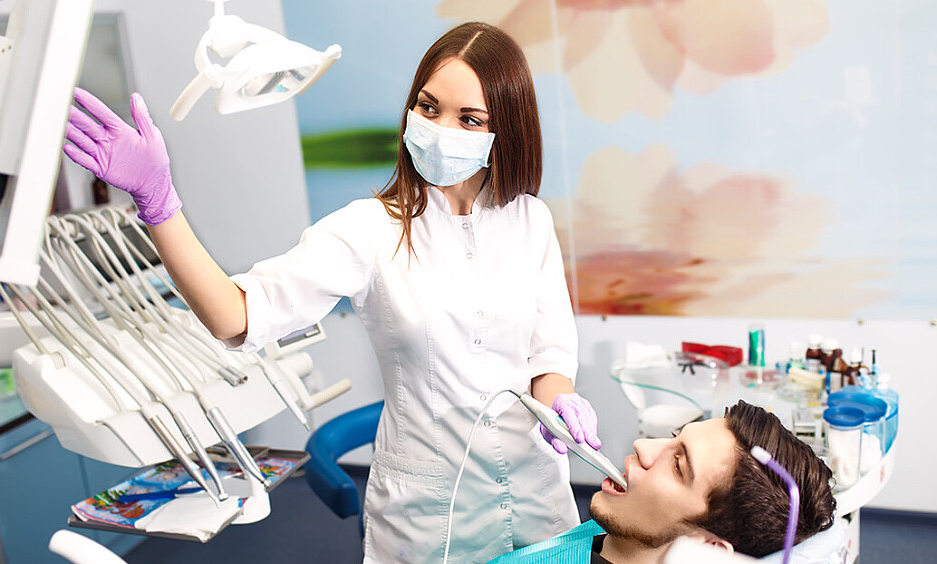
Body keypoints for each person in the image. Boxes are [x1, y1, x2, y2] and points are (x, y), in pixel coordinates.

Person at [63, 21, 601, 563]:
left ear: (503, 130)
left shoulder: (531, 221)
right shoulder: (371, 230)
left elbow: (547, 357)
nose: (440, 129)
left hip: (536, 502)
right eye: (428, 107)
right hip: (429, 520)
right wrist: (158, 201)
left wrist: (561, 401)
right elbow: (235, 315)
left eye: (469, 119)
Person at [496, 400, 838, 563]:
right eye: (674, 436)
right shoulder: (617, 531)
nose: (642, 446)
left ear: (707, 548)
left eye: (677, 465)